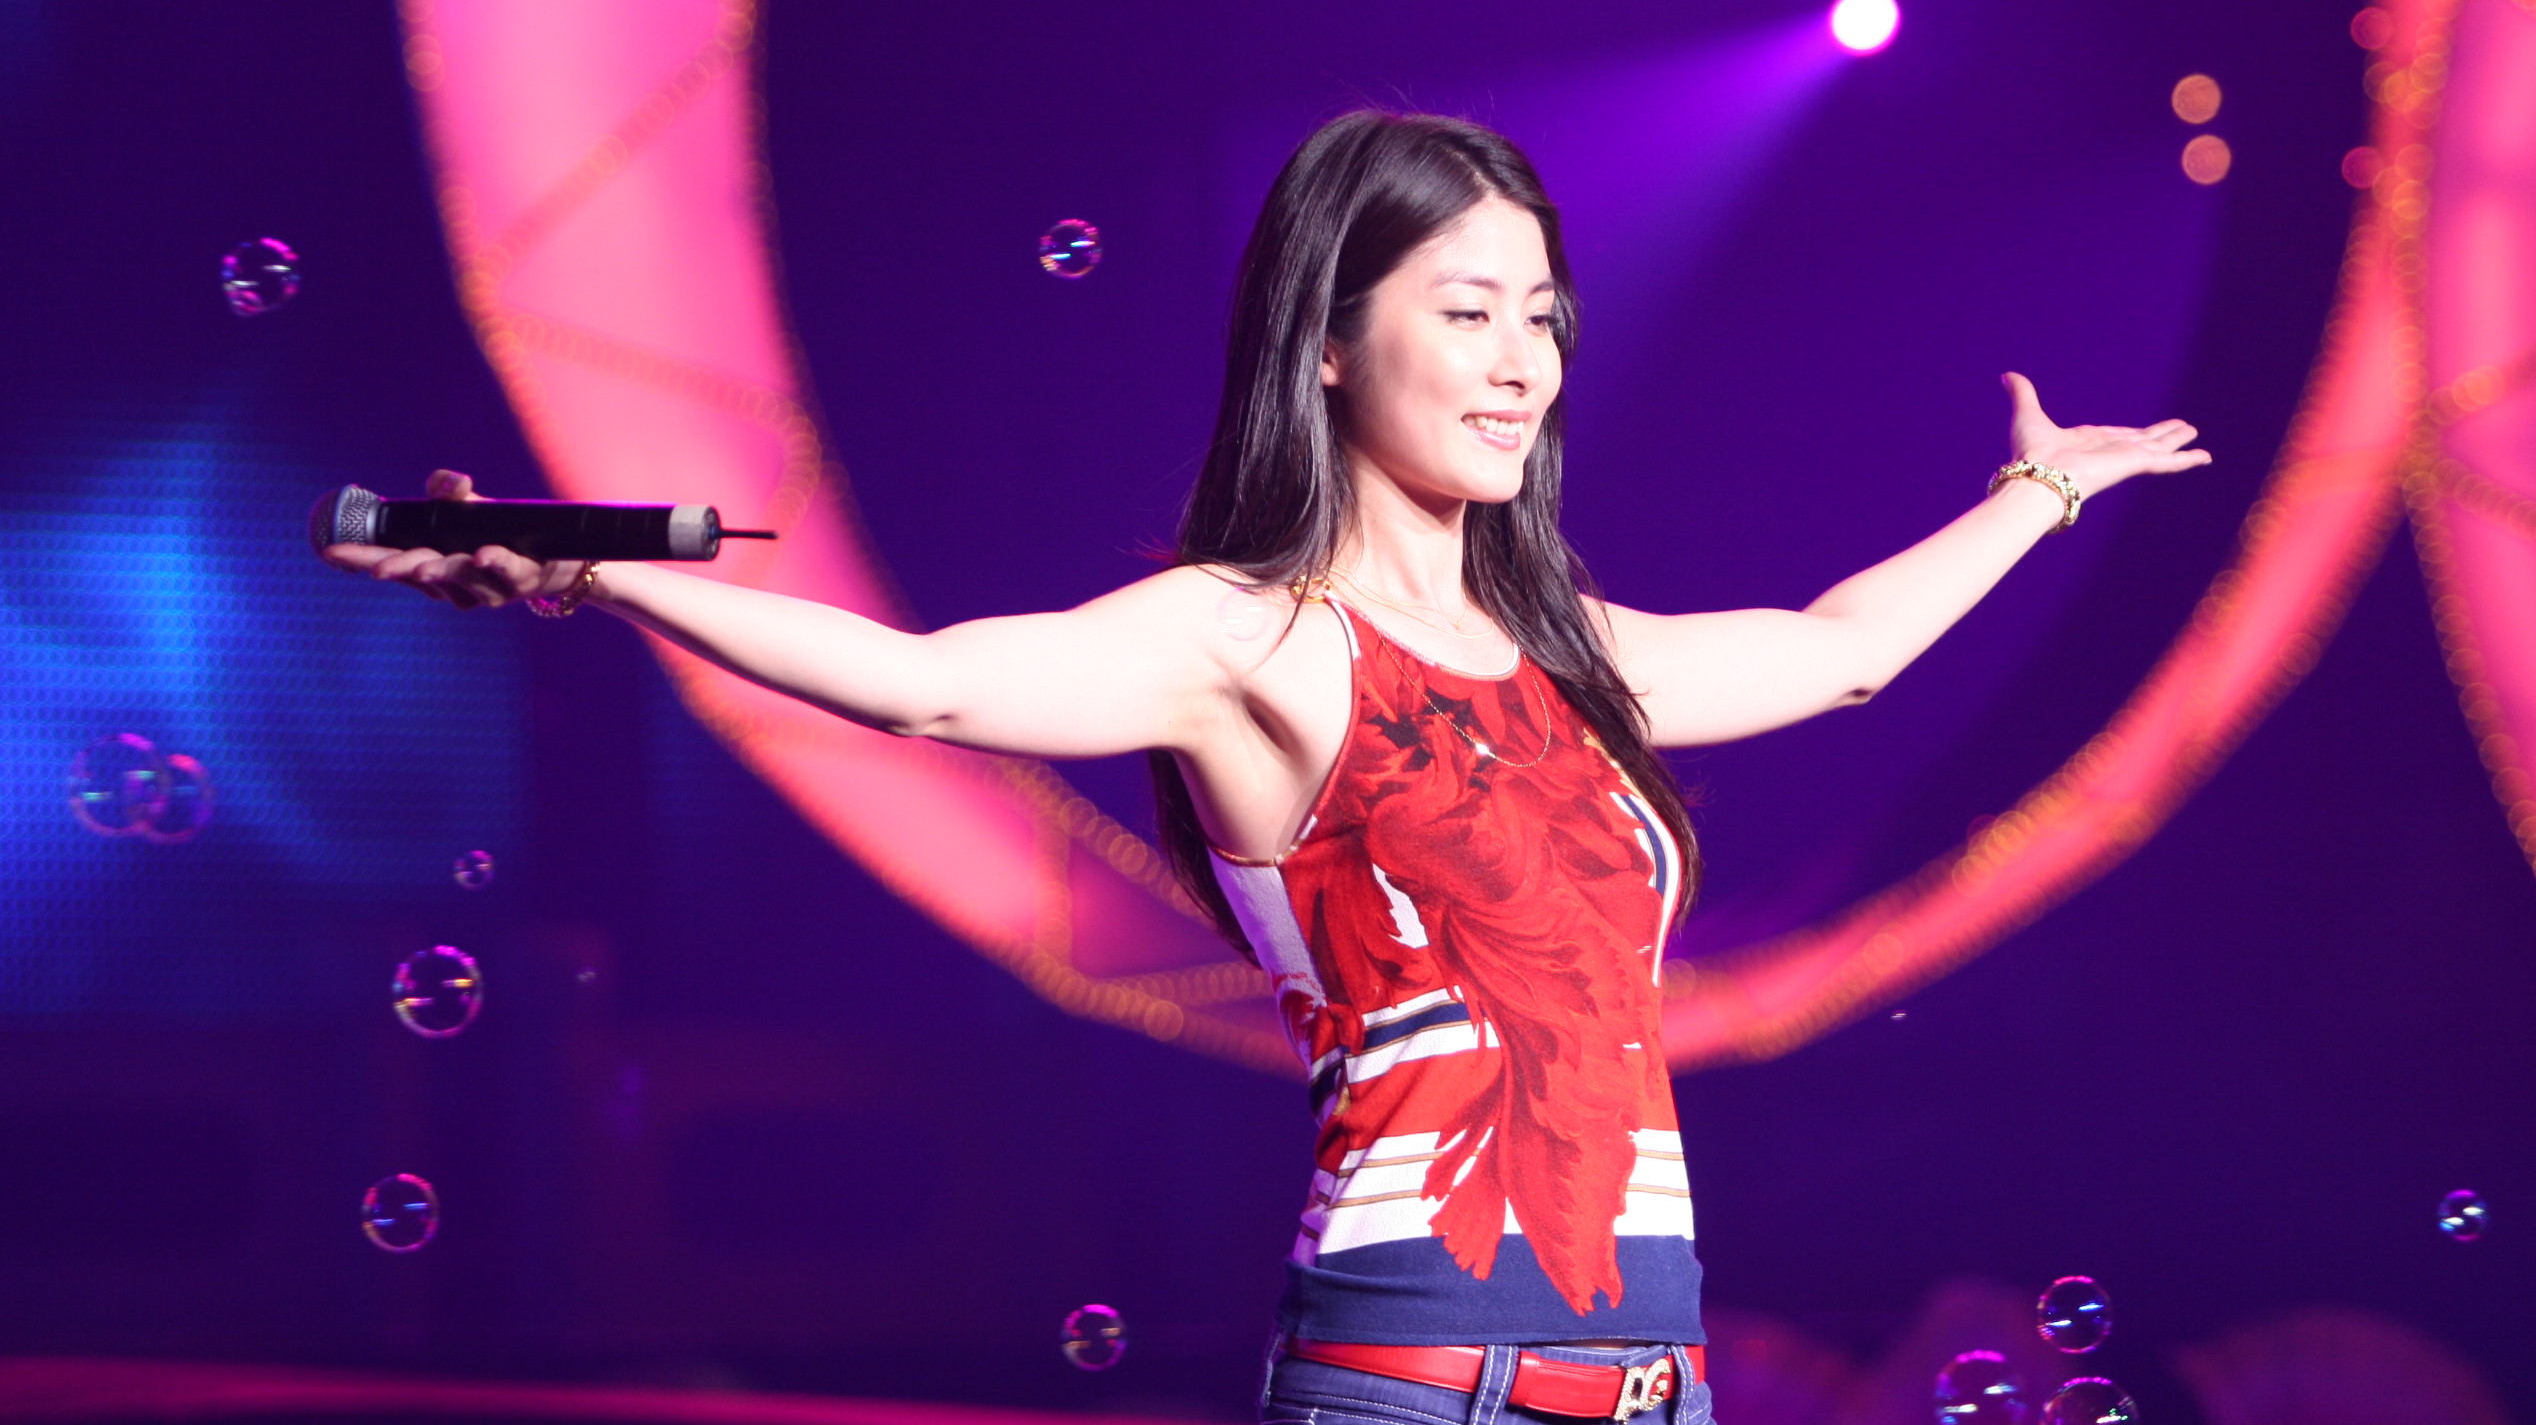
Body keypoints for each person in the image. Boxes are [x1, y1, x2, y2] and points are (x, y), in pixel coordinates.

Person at [328, 111, 2208, 1425]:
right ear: (1326, 346)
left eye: (1542, 317)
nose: (1521, 363)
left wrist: (2040, 494)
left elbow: (1839, 649)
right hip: (1417, 1377)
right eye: (1465, 312)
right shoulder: (1252, 636)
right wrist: (591, 572)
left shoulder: (1577, 653)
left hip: (1654, 1380)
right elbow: (926, 689)